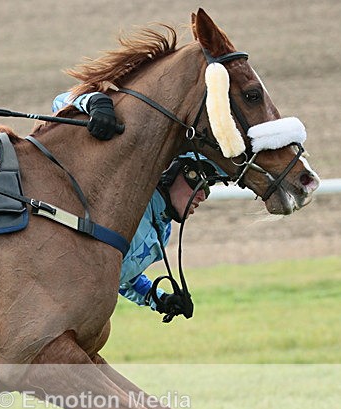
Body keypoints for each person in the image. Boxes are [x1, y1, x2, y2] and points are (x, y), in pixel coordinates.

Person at [52, 90, 228, 318]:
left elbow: (120, 276)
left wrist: (160, 299)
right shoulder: (119, 192)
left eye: (207, 187)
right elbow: (60, 101)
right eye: (198, 180)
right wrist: (93, 101)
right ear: (170, 171)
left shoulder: (162, 232)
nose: (203, 195)